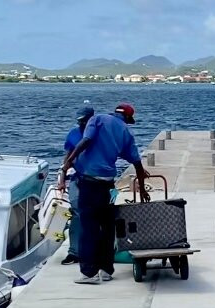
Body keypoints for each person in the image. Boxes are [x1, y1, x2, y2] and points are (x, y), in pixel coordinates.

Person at [58, 103, 150, 284]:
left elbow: (86, 141)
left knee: (88, 227)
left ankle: (89, 273)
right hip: (108, 185)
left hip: (89, 182)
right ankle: (106, 270)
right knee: (107, 228)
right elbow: (138, 164)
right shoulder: (125, 132)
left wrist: (68, 162)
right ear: (128, 119)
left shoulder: (97, 119)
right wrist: (143, 188)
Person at [61, 105, 95, 265]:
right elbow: (67, 157)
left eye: (84, 121)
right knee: (76, 211)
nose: (81, 124)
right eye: (79, 121)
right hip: (77, 177)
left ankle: (95, 249)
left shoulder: (99, 134)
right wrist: (62, 179)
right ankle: (74, 252)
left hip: (96, 179)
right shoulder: (73, 135)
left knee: (96, 214)